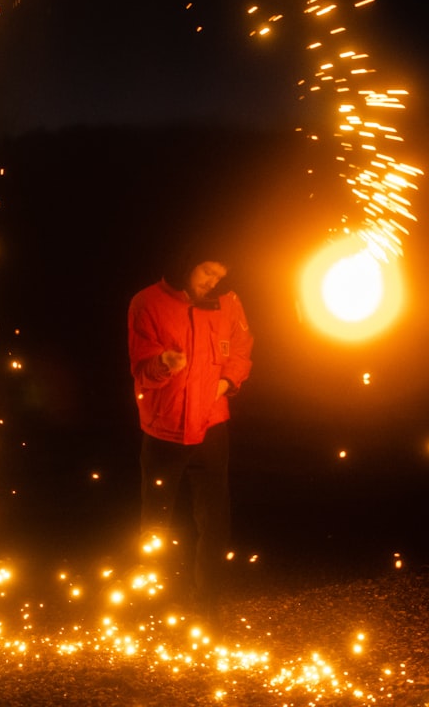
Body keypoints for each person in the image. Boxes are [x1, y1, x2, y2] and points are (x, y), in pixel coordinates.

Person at [127, 248, 254, 622]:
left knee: (215, 519)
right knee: (156, 519)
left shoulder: (229, 301)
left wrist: (229, 380)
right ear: (186, 262)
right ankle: (152, 600)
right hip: (164, 430)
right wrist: (162, 364)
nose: (213, 282)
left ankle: (208, 603)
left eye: (219, 276)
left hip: (212, 428)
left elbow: (242, 348)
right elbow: (141, 372)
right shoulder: (147, 302)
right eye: (207, 272)